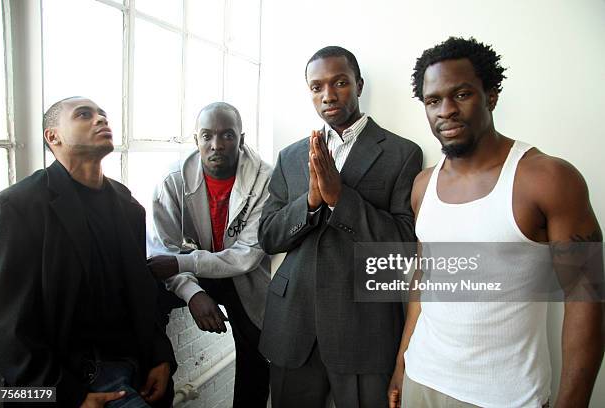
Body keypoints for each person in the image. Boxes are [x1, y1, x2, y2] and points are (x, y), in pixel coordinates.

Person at [388, 37, 604, 408]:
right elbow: (424, 282)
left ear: (491, 95)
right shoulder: (423, 185)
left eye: (461, 94)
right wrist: (401, 363)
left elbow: (588, 299)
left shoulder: (547, 178)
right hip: (421, 379)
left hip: (505, 396)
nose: (446, 111)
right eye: (433, 100)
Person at [258, 46, 423, 407]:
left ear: (359, 85)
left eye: (340, 83)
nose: (328, 95)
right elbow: (268, 235)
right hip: (293, 326)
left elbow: (402, 244)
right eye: (317, 87)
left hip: (364, 326)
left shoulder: (402, 153)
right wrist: (311, 202)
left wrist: (339, 199)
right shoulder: (291, 155)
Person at [0, 97, 177, 407]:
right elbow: (8, 325)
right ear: (53, 137)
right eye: (84, 115)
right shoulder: (16, 208)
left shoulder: (127, 203)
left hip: (138, 367)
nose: (101, 120)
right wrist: (67, 397)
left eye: (103, 115)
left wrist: (161, 356)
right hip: (73, 379)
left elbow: (141, 291)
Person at [147, 102, 272, 407]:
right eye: (207, 136)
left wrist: (181, 263)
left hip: (244, 275)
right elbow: (163, 252)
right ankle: (158, 385)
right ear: (196, 140)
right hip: (198, 268)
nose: (216, 145)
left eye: (227, 135)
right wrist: (192, 293)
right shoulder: (172, 180)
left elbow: (246, 256)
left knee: (255, 351)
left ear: (241, 139)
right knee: (147, 294)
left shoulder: (265, 178)